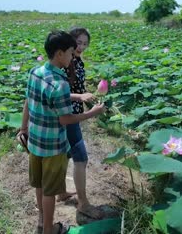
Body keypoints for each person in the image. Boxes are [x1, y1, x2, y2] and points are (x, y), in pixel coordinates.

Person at [17, 30, 105, 234]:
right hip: (53, 146)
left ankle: (41, 223)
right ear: (59, 54)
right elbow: (65, 119)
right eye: (70, 52)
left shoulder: (34, 72)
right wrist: (92, 113)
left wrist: (23, 128)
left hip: (35, 141)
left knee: (39, 185)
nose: (73, 56)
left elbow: (28, 102)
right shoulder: (60, 83)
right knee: (50, 191)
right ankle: (49, 229)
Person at [56, 27, 103, 219]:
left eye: (85, 43)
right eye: (78, 43)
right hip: (67, 115)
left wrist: (85, 96)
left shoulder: (77, 60)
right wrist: (80, 96)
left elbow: (76, 87)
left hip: (72, 112)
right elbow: (59, 92)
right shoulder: (66, 62)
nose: (81, 47)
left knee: (65, 154)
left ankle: (61, 192)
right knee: (81, 158)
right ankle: (83, 203)